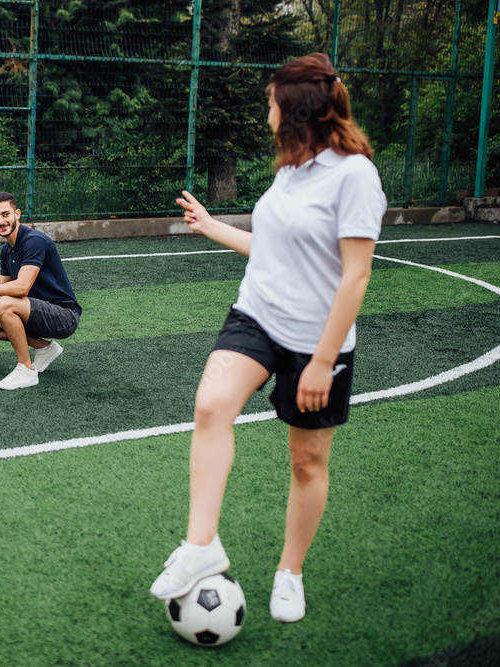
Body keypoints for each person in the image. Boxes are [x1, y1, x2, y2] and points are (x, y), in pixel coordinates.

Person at [148, 53, 387, 623]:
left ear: (296, 108)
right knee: (211, 406)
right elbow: (275, 250)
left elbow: (355, 274)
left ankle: (290, 571)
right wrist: (212, 228)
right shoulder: (289, 170)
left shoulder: (355, 176)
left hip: (317, 341)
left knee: (305, 460)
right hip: (256, 315)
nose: (268, 113)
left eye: (271, 103)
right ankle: (201, 545)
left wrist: (321, 362)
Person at [0, 191, 82, 390]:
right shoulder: (7, 250)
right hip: (33, 312)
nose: (1, 221)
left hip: (63, 317)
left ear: (17, 214)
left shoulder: (34, 241)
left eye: (6, 214)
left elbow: (21, 287)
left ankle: (26, 369)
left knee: (4, 303)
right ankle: (44, 348)